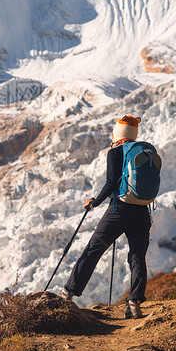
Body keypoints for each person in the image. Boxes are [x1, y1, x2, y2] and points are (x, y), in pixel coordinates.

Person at [61, 115, 152, 319]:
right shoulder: (144, 151)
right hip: (142, 211)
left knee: (94, 248)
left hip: (119, 210)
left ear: (118, 133)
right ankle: (135, 303)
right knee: (137, 258)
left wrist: (95, 201)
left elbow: (111, 184)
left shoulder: (115, 152)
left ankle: (68, 293)